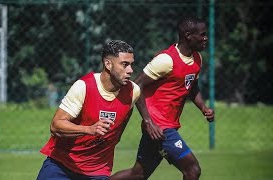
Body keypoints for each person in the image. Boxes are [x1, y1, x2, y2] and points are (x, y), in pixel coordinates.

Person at [110, 16, 215, 180]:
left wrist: (203, 108)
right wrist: (149, 122)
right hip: (159, 127)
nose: (205, 38)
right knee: (192, 170)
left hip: (162, 127)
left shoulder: (197, 59)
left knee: (137, 175)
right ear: (188, 35)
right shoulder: (166, 60)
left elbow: (191, 86)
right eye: (202, 34)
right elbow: (136, 86)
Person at [37, 40, 140, 180]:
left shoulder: (133, 91)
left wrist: (115, 137)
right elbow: (56, 125)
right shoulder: (83, 87)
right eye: (124, 64)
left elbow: (126, 115)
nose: (130, 70)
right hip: (62, 164)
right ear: (108, 64)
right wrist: (89, 130)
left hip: (97, 171)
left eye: (131, 64)